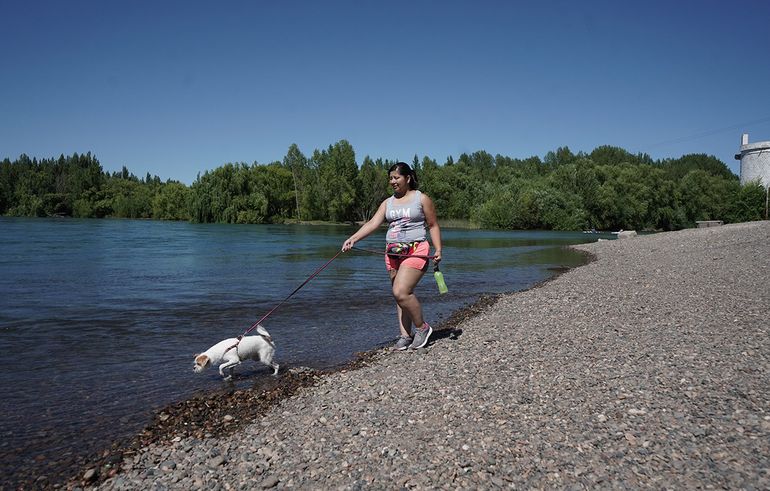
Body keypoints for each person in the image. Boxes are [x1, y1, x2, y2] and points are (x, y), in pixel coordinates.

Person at [342, 162, 442, 350]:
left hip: (416, 250)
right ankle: (405, 335)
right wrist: (353, 239)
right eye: (390, 178)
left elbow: (433, 225)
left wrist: (438, 249)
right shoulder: (387, 203)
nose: (393, 181)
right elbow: (372, 224)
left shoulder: (421, 199)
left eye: (396, 178)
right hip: (392, 253)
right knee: (399, 295)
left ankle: (422, 328)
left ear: (408, 178)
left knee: (401, 291)